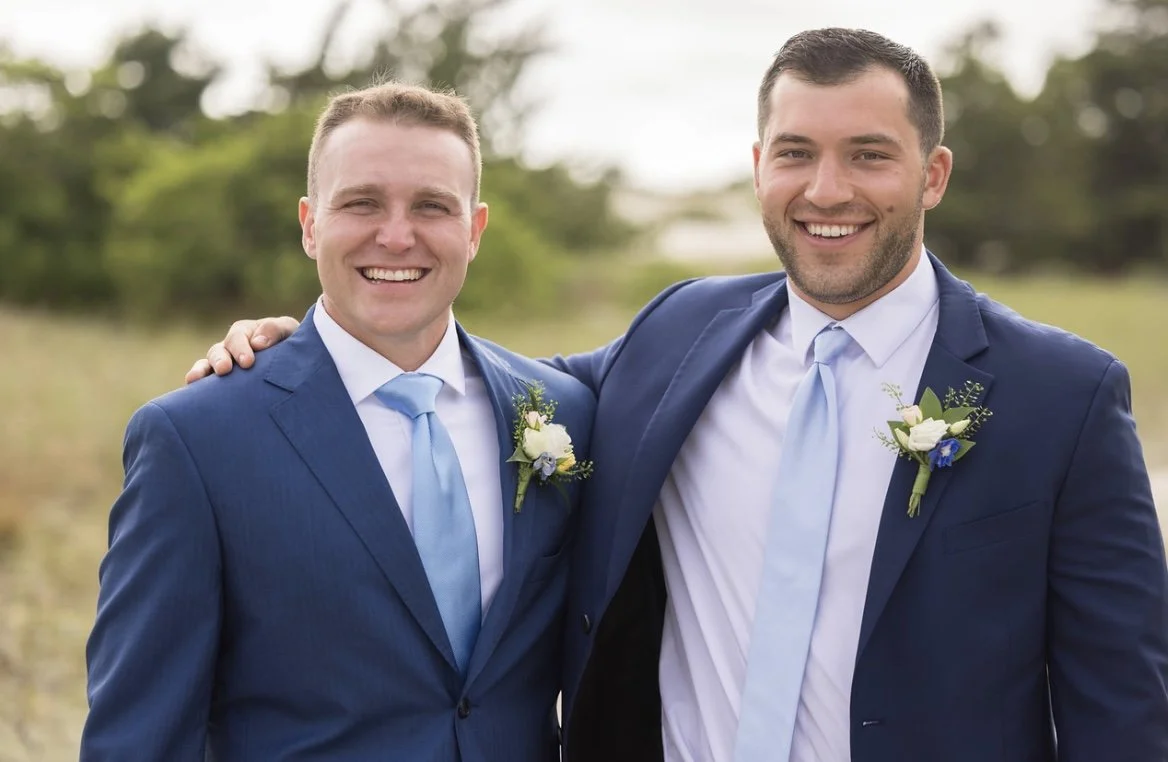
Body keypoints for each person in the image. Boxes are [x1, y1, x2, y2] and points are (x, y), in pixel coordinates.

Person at [187, 29, 1168, 762]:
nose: (826, 188)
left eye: (868, 154)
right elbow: (507, 391)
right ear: (757, 169)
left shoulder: (1061, 397)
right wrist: (309, 349)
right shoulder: (678, 333)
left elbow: (1123, 706)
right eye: (794, 152)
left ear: (933, 174)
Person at [82, 81, 594, 762]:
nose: (396, 234)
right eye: (361, 202)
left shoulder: (563, 411)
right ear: (310, 223)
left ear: (474, 230)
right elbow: (138, 737)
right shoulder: (197, 442)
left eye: (432, 206)